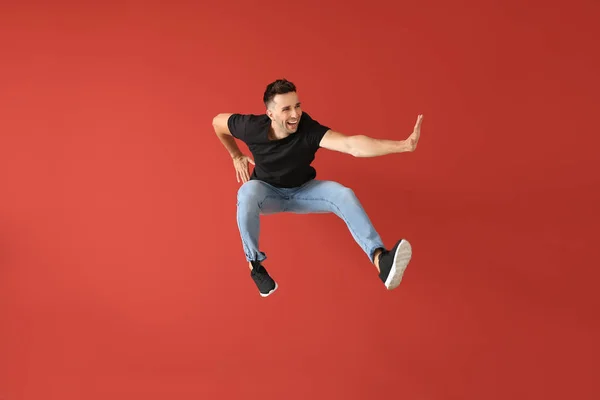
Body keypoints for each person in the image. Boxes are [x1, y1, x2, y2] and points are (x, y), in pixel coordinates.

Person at [212, 79, 423, 297]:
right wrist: (235, 155)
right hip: (268, 194)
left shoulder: (308, 129)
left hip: (304, 192)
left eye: (297, 106)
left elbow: (352, 145)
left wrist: (403, 146)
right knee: (247, 192)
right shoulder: (251, 127)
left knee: (343, 194)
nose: (295, 114)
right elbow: (217, 122)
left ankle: (381, 259)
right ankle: (255, 266)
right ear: (270, 114)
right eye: (286, 109)